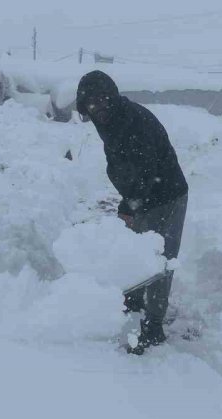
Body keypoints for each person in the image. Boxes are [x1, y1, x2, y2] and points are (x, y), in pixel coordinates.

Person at [75, 70, 188, 355]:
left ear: (112, 97)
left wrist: (129, 204)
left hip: (167, 194)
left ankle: (153, 327)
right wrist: (130, 202)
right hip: (142, 194)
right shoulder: (109, 119)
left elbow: (146, 169)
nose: (97, 108)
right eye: (91, 103)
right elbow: (122, 164)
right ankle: (134, 300)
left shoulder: (132, 121)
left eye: (102, 100)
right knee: (136, 248)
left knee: (160, 258)